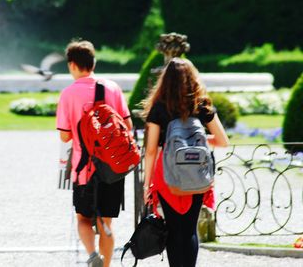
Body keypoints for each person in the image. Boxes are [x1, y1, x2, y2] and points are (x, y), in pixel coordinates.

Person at [142, 57, 229, 267]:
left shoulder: (159, 108)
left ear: (166, 80)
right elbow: (223, 141)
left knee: (173, 229)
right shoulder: (202, 105)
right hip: (197, 173)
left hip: (167, 174)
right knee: (189, 230)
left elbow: (151, 149)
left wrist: (147, 184)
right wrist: (196, 141)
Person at [56, 39, 133, 267]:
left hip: (84, 168)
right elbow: (127, 127)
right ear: (94, 62)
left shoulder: (68, 94)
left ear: (71, 65)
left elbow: (64, 136)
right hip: (112, 167)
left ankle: (92, 255)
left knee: (83, 218)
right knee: (106, 222)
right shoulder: (112, 88)